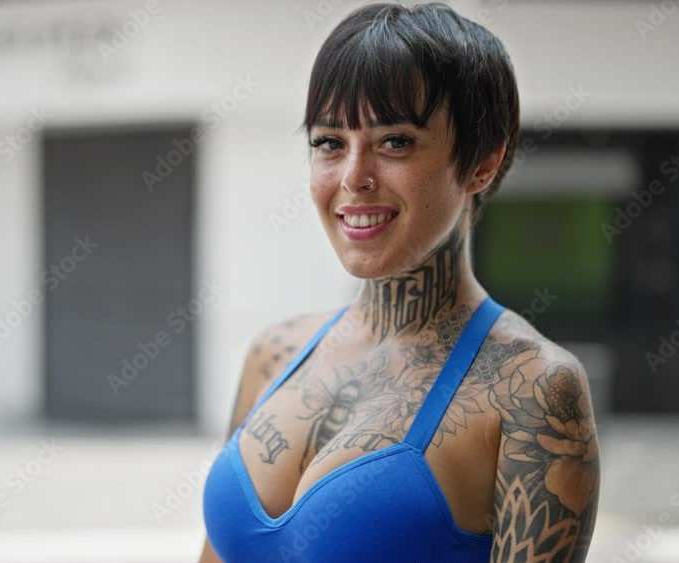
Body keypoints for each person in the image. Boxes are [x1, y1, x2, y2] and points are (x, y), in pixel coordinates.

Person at [199, 2, 599, 561]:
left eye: (395, 142)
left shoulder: (533, 390)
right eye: (329, 142)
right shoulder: (275, 353)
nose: (353, 177)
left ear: (482, 161)